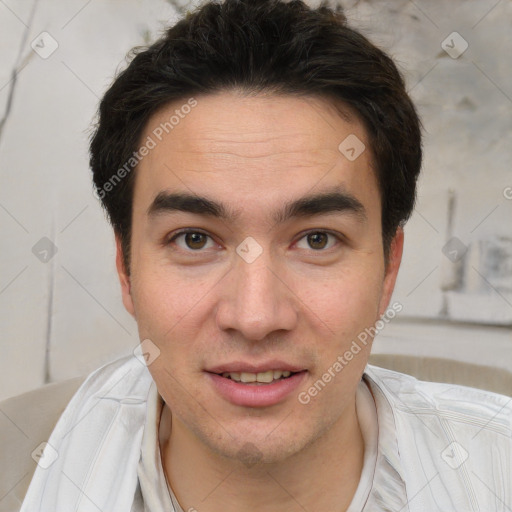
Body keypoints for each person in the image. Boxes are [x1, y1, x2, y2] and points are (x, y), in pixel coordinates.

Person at [20, 1, 512, 511]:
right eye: (194, 239)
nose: (256, 318)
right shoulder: (16, 473)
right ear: (126, 268)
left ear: (389, 266)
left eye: (317, 239)